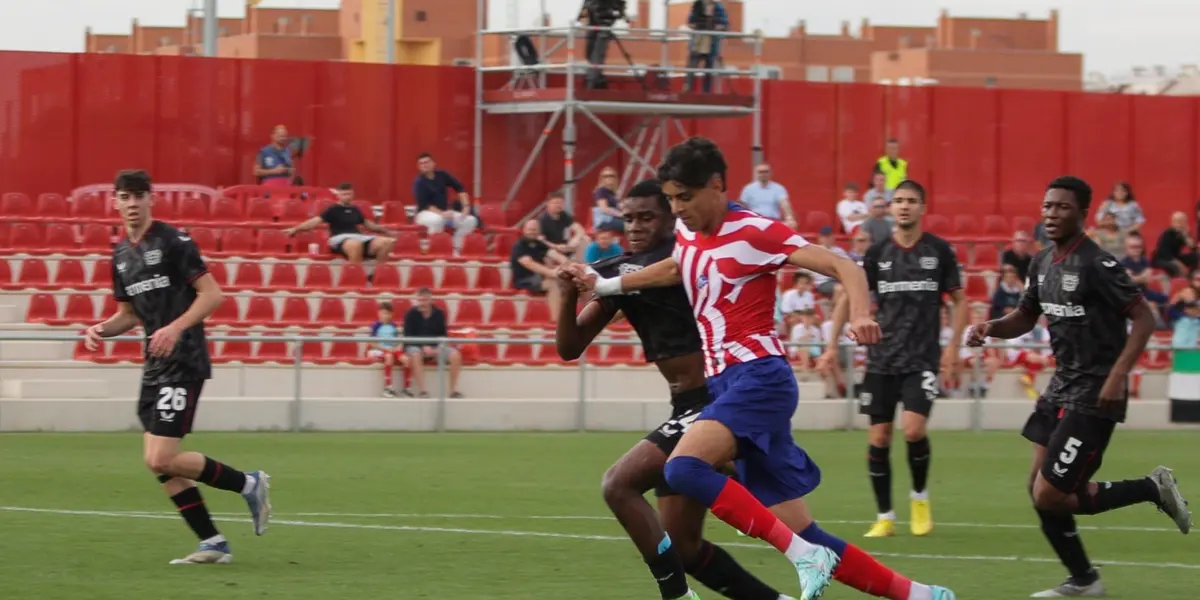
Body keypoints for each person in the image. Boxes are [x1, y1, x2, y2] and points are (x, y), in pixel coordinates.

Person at [566, 137, 955, 600]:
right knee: (806, 530)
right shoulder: (690, 233)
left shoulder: (754, 231)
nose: (677, 209)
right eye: (670, 199)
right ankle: (922, 595)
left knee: (685, 470)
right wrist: (607, 284)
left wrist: (860, 315)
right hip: (728, 385)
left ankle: (803, 559)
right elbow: (677, 267)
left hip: (759, 378)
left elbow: (842, 265)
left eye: (684, 198)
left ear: (716, 186)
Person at [556, 179, 790, 600]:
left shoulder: (687, 259)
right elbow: (570, 347)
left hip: (717, 397)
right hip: (684, 406)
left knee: (618, 485)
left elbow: (675, 269)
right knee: (683, 546)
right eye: (628, 218)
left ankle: (677, 598)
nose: (636, 226)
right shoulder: (617, 271)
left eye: (647, 217)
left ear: (670, 215)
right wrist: (564, 296)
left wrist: (609, 279)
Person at [966, 175, 1192, 598]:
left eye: (1062, 207)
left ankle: (1150, 488)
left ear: (1083, 214)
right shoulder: (1041, 262)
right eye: (1047, 206)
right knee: (1039, 488)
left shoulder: (1097, 264)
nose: (1051, 214)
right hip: (1060, 386)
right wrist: (990, 327)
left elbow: (1144, 318)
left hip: (1095, 393)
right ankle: (1084, 580)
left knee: (1051, 494)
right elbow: (1026, 316)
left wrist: (1118, 376)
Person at [84, 169, 271, 565]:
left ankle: (249, 483)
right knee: (159, 463)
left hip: (184, 358)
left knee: (160, 458)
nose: (132, 203)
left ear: (151, 198)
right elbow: (128, 315)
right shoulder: (120, 256)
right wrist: (101, 329)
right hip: (154, 365)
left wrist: (174, 326)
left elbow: (212, 294)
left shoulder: (174, 241)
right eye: (124, 197)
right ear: (115, 202)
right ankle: (213, 543)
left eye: (138, 195)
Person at [826, 179, 968, 539]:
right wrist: (831, 345)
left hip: (922, 358)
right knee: (879, 438)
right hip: (881, 358)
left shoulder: (938, 251)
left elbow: (959, 301)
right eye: (898, 200)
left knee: (914, 429)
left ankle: (919, 498)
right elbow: (847, 296)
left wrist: (953, 348)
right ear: (890, 208)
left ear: (923, 208)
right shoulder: (877, 254)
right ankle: (885, 516)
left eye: (911, 201)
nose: (904, 206)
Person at [283, 183, 395, 266]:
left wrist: (385, 231)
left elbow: (368, 224)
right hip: (339, 238)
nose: (347, 196)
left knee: (388, 242)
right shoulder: (332, 209)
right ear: (339, 196)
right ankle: (354, 276)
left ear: (353, 194)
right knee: (355, 244)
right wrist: (295, 229)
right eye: (344, 194)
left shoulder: (356, 209)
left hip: (357, 237)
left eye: (349, 194)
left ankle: (376, 274)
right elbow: (315, 221)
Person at [402, 288, 463, 398]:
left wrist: (434, 350)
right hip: (415, 346)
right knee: (415, 354)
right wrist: (423, 347)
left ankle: (453, 391)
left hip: (435, 347)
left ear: (430, 300)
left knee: (455, 355)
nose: (422, 303)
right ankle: (423, 391)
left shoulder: (439, 314)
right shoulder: (410, 314)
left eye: (424, 300)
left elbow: (443, 336)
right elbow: (407, 338)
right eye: (419, 301)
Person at [367, 301, 411, 398]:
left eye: (387, 313)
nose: (385, 316)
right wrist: (385, 349)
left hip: (391, 349)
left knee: (406, 359)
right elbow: (371, 343)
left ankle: (406, 389)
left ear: (391, 314)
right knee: (389, 356)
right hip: (379, 350)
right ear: (379, 313)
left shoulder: (393, 326)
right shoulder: (376, 326)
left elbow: (396, 341)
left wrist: (397, 347)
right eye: (383, 313)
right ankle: (388, 387)